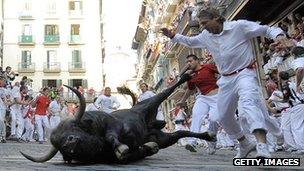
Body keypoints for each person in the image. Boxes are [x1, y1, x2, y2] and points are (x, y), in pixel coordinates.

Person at [161, 7, 289, 158]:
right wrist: (173, 36)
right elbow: (190, 42)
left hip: (244, 73)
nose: (203, 27)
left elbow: (266, 30)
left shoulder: (239, 26)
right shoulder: (206, 36)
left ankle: (262, 146)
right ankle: (244, 143)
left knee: (250, 103)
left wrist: (280, 36)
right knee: (222, 116)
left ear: (216, 18)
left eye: (205, 23)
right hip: (226, 80)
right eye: (201, 24)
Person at [176, 54, 219, 154]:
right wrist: (182, 101)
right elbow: (190, 90)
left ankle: (211, 141)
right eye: (187, 62)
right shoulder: (191, 76)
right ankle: (192, 142)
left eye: (190, 61)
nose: (188, 64)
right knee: (196, 115)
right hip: (203, 98)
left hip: (216, 96)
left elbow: (222, 72)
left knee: (214, 118)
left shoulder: (208, 67)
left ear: (197, 61)